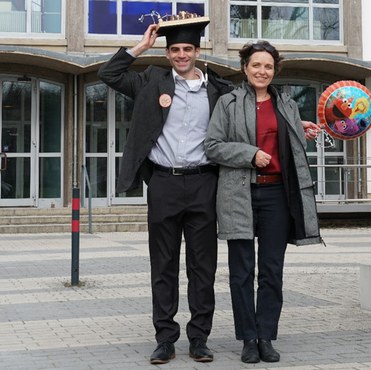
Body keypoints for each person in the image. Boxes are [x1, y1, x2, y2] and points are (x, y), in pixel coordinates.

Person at [98, 16, 233, 365]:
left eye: (187, 49)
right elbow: (108, 75)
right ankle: (165, 339)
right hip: (164, 184)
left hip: (205, 183)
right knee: (164, 266)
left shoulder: (219, 90)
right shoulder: (150, 81)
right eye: (174, 49)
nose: (181, 55)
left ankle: (199, 338)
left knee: (203, 268)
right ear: (168, 52)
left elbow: (258, 109)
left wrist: (298, 122)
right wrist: (140, 46)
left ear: (197, 51)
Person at [204, 40, 322, 364]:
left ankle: (266, 335)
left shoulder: (286, 103)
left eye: (268, 66)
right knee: (241, 272)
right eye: (256, 65)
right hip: (238, 194)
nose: (262, 71)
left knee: (272, 271)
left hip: (276, 195)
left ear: (274, 70)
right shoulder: (228, 102)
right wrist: (248, 154)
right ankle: (248, 338)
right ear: (245, 68)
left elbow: (280, 137)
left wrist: (300, 128)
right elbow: (212, 146)